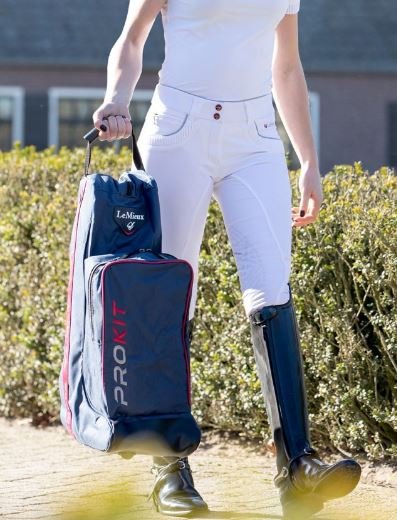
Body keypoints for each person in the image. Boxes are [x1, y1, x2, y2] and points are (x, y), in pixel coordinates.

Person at [92, 0, 361, 518]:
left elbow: (286, 64)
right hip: (178, 132)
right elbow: (131, 39)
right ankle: (169, 469)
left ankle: (297, 467)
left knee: (271, 294)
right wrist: (116, 100)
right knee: (166, 298)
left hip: (256, 137)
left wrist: (308, 159)